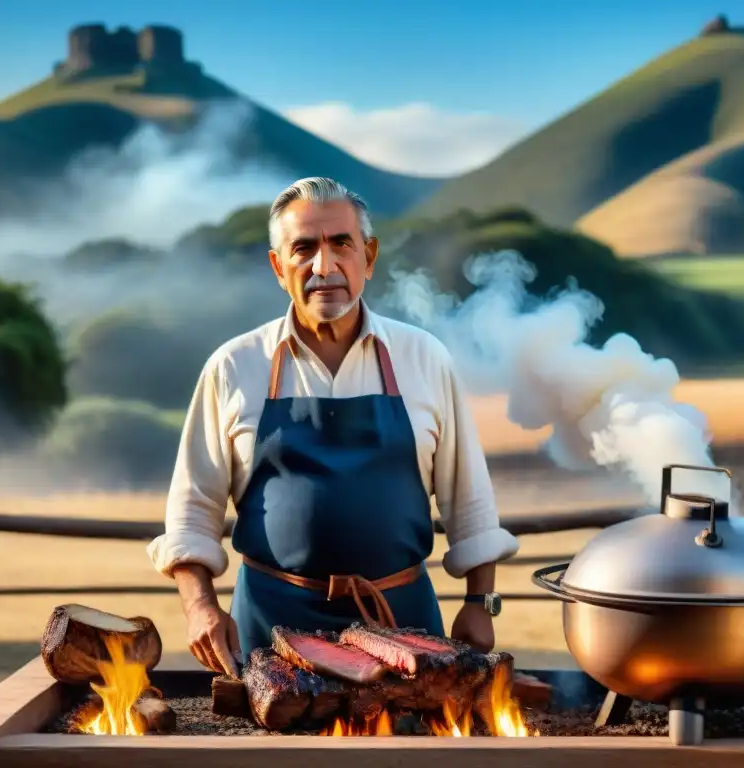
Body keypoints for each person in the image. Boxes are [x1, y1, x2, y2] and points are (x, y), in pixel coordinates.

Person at [147, 177, 520, 677]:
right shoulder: (234, 367)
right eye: (303, 248)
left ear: (368, 256)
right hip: (270, 633)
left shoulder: (424, 358)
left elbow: (469, 498)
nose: (325, 266)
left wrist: (481, 601)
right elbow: (192, 510)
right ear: (279, 267)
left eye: (341, 244)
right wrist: (199, 606)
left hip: (405, 628)